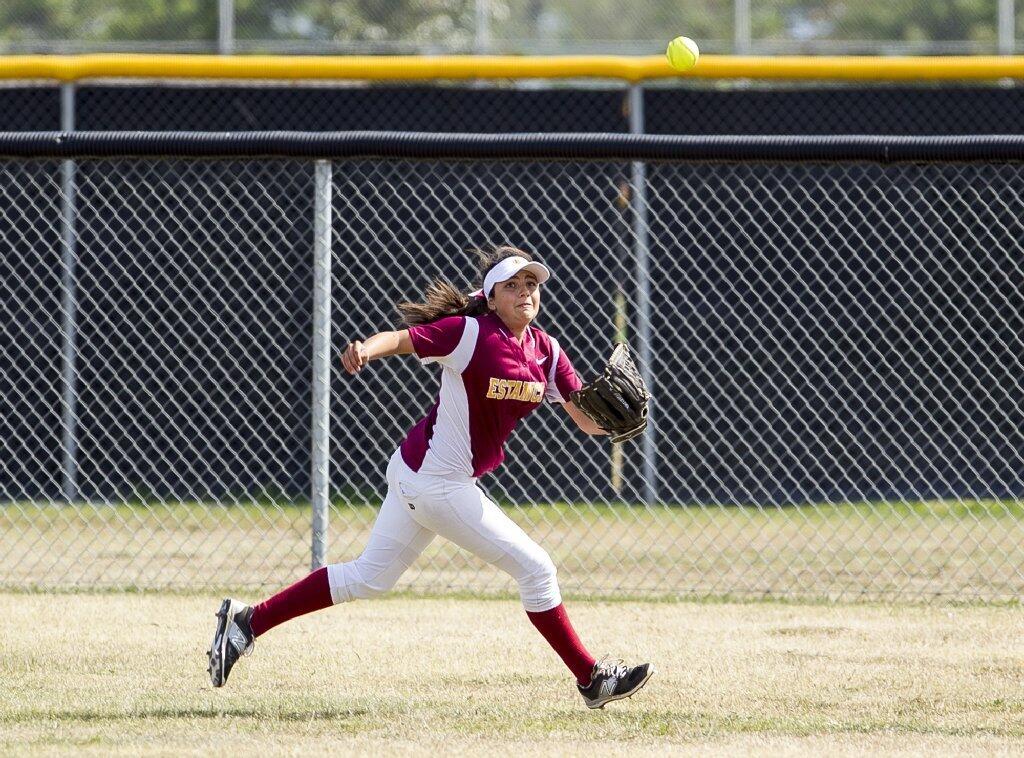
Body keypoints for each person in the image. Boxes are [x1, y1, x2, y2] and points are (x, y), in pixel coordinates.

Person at [207, 245, 654, 709]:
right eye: (512, 285)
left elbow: (583, 417)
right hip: (436, 482)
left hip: (418, 471)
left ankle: (245, 622)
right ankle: (591, 679)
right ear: (492, 295)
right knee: (536, 569)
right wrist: (365, 350)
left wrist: (615, 421)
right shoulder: (469, 334)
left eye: (531, 285)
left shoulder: (546, 350)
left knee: (368, 578)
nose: (524, 292)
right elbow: (402, 339)